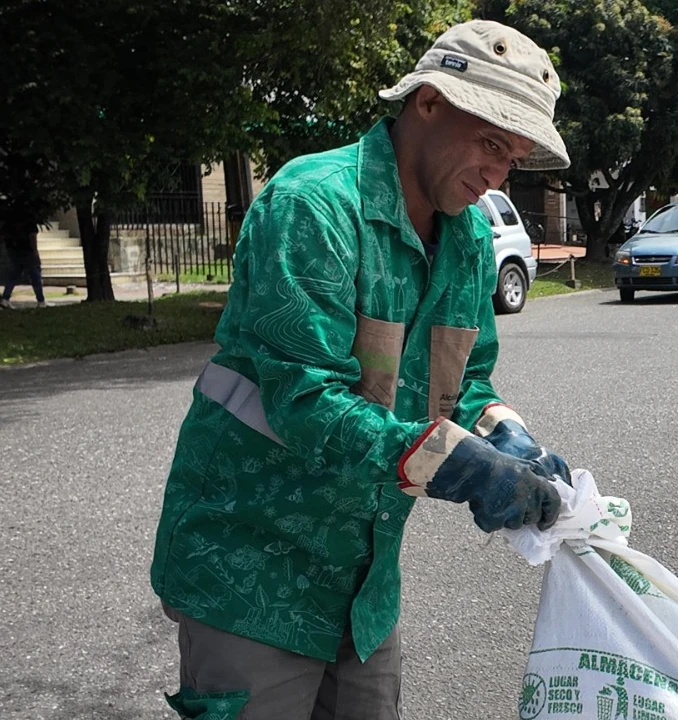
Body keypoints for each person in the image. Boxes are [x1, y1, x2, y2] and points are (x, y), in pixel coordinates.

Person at [149, 20, 573, 720]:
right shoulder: (312, 204)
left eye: (515, 158)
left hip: (363, 587)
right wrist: (463, 467)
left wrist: (507, 435)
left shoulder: (466, 238)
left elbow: (464, 382)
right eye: (492, 144)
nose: (499, 176)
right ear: (428, 103)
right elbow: (304, 401)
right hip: (249, 571)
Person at [0, 216, 47, 308]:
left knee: (14, 275)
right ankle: (41, 300)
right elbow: (32, 236)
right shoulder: (30, 221)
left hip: (14, 250)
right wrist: (35, 251)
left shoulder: (11, 220)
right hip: (27, 250)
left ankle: (5, 299)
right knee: (35, 275)